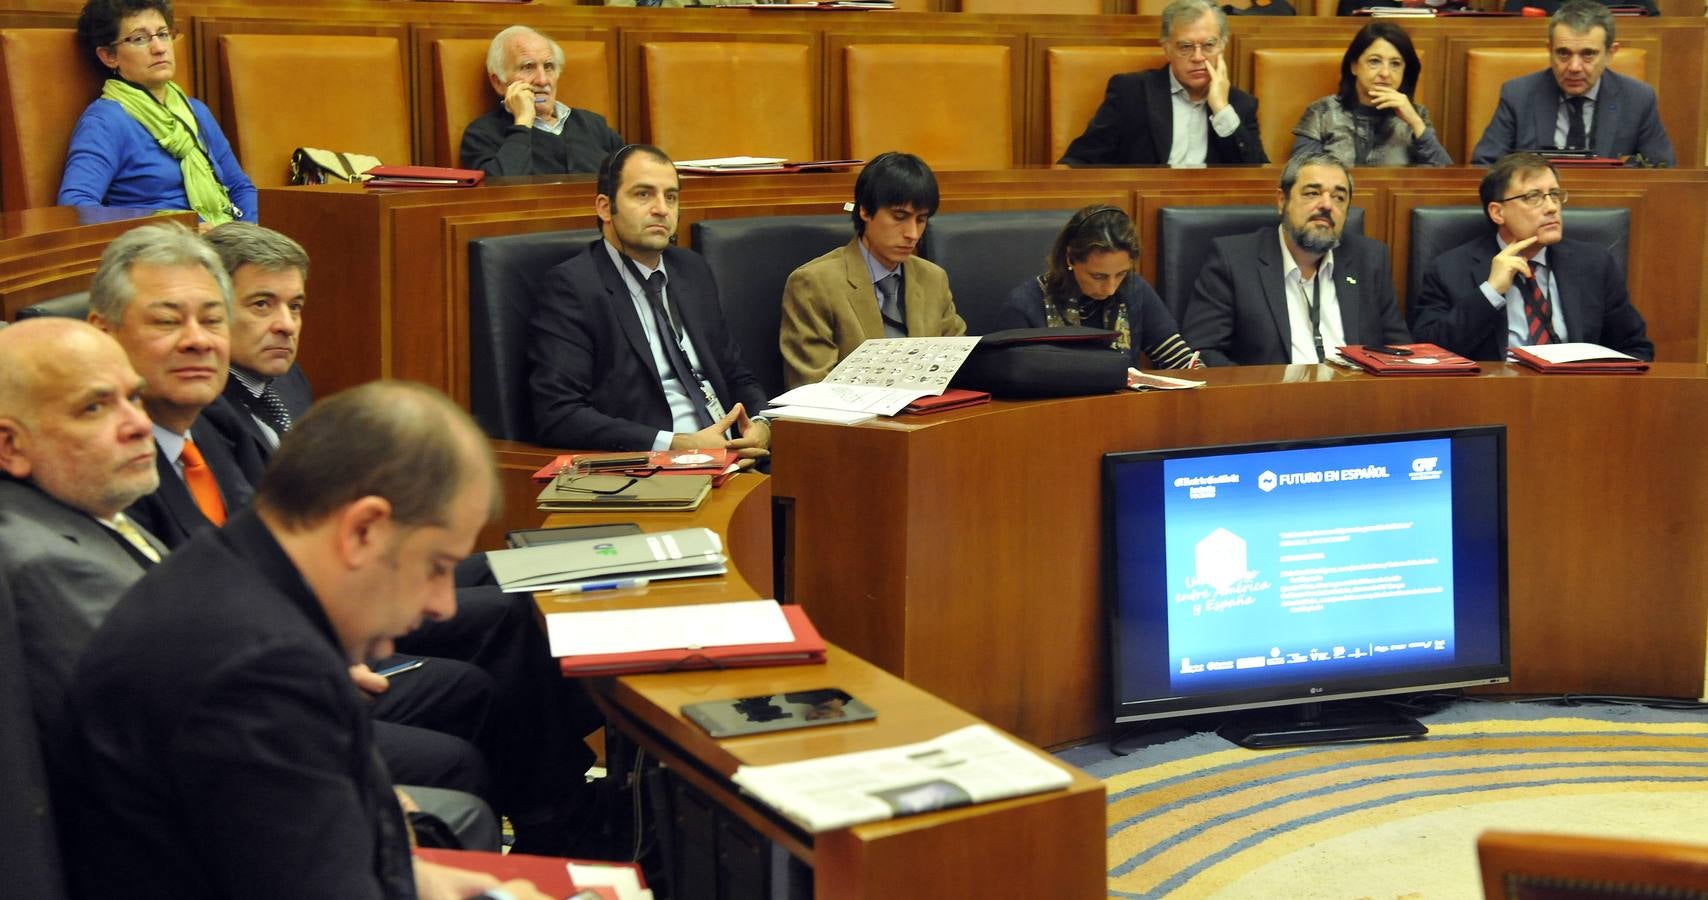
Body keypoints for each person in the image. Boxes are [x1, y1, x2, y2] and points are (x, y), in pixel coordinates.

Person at [0, 319, 501, 853]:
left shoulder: (86, 502)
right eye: (94, 408)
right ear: (10, 445)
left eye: (133, 398)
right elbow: (170, 727)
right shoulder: (41, 560)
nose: (138, 424)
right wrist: (360, 786)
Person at [55, 380, 550, 899]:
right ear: (364, 530)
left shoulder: (234, 577)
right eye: (436, 566)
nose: (442, 604)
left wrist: (423, 880)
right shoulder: (258, 670)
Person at [205, 221, 608, 857]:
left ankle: (566, 788)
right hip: (326, 602)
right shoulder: (210, 410)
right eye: (262, 304)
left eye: (296, 306)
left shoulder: (284, 382)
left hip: (345, 572)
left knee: (517, 573)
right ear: (215, 309)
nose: (286, 323)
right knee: (504, 616)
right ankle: (560, 810)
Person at [528, 144, 771, 456]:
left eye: (670, 196)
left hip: (731, 453)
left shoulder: (691, 270)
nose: (661, 209)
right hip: (652, 468)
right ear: (605, 207)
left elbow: (735, 372)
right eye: (643, 194)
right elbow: (559, 415)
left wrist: (762, 424)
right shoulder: (572, 287)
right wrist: (679, 445)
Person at [1409, 152, 1652, 361]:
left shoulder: (1594, 264)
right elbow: (1430, 353)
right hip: (1490, 399)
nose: (1551, 207)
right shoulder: (1450, 269)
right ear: (1497, 212)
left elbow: (1635, 348)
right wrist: (1490, 292)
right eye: (1533, 197)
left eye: (1554, 194)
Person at [1181, 153, 1411, 366]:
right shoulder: (1234, 259)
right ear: (1282, 200)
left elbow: (1399, 350)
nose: (1327, 205)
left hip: (1357, 400)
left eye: (1339, 197)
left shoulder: (1369, 259)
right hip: (1270, 402)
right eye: (1312, 193)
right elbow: (1203, 351)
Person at [778, 151, 967, 388]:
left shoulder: (933, 278)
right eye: (900, 217)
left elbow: (959, 366)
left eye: (921, 220)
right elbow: (811, 388)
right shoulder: (814, 283)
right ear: (865, 211)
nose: (913, 234)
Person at [58, 0, 256, 224]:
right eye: (139, 39)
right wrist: (174, 227)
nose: (159, 48)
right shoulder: (105, 121)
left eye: (163, 34)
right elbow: (75, 205)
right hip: (163, 249)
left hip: (225, 238)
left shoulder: (195, 111)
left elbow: (240, 186)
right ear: (108, 56)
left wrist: (249, 234)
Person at [1058, 0, 1266, 167]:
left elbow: (1256, 175)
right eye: (1185, 46)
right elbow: (1079, 161)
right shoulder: (1131, 93)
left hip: (1213, 214)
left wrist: (1221, 109)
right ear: (1166, 48)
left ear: (1222, 45)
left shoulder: (1240, 105)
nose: (1198, 57)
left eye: (1208, 45)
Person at [994, 204, 1199, 370]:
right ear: (1070, 258)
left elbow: (1180, 360)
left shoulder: (1135, 290)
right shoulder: (1024, 305)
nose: (1110, 288)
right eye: (1098, 276)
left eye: (1120, 274)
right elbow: (1008, 385)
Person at [1469, 0, 1674, 166]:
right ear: (1550, 50)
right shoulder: (1518, 94)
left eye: (1588, 54)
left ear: (1610, 54)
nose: (1574, 67)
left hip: (1607, 209)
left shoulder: (1638, 98)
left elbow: (1660, 169)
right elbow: (1484, 164)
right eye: (1563, 53)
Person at [460, 25, 624, 177]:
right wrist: (523, 122)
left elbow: (633, 176)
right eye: (528, 67)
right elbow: (502, 192)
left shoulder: (593, 124)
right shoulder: (482, 134)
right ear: (498, 83)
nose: (542, 80)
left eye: (548, 67)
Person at [1290, 23, 1452, 168]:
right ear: (1354, 66)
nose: (1385, 73)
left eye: (1395, 64)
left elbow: (1445, 178)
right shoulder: (1322, 112)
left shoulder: (1416, 116)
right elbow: (1300, 177)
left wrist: (1416, 123)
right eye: (1374, 61)